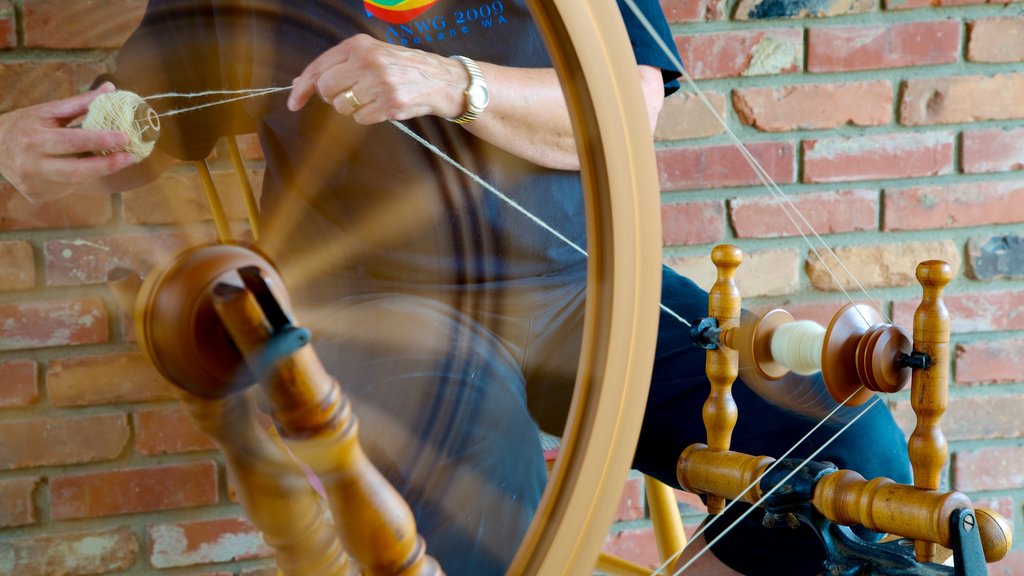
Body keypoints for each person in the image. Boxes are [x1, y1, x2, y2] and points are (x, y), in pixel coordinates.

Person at [0, 1, 912, 574]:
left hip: (584, 288)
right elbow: (139, 124)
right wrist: (40, 153)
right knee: (492, 509)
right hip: (379, 314)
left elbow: (629, 108)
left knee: (852, 442)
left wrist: (454, 82)